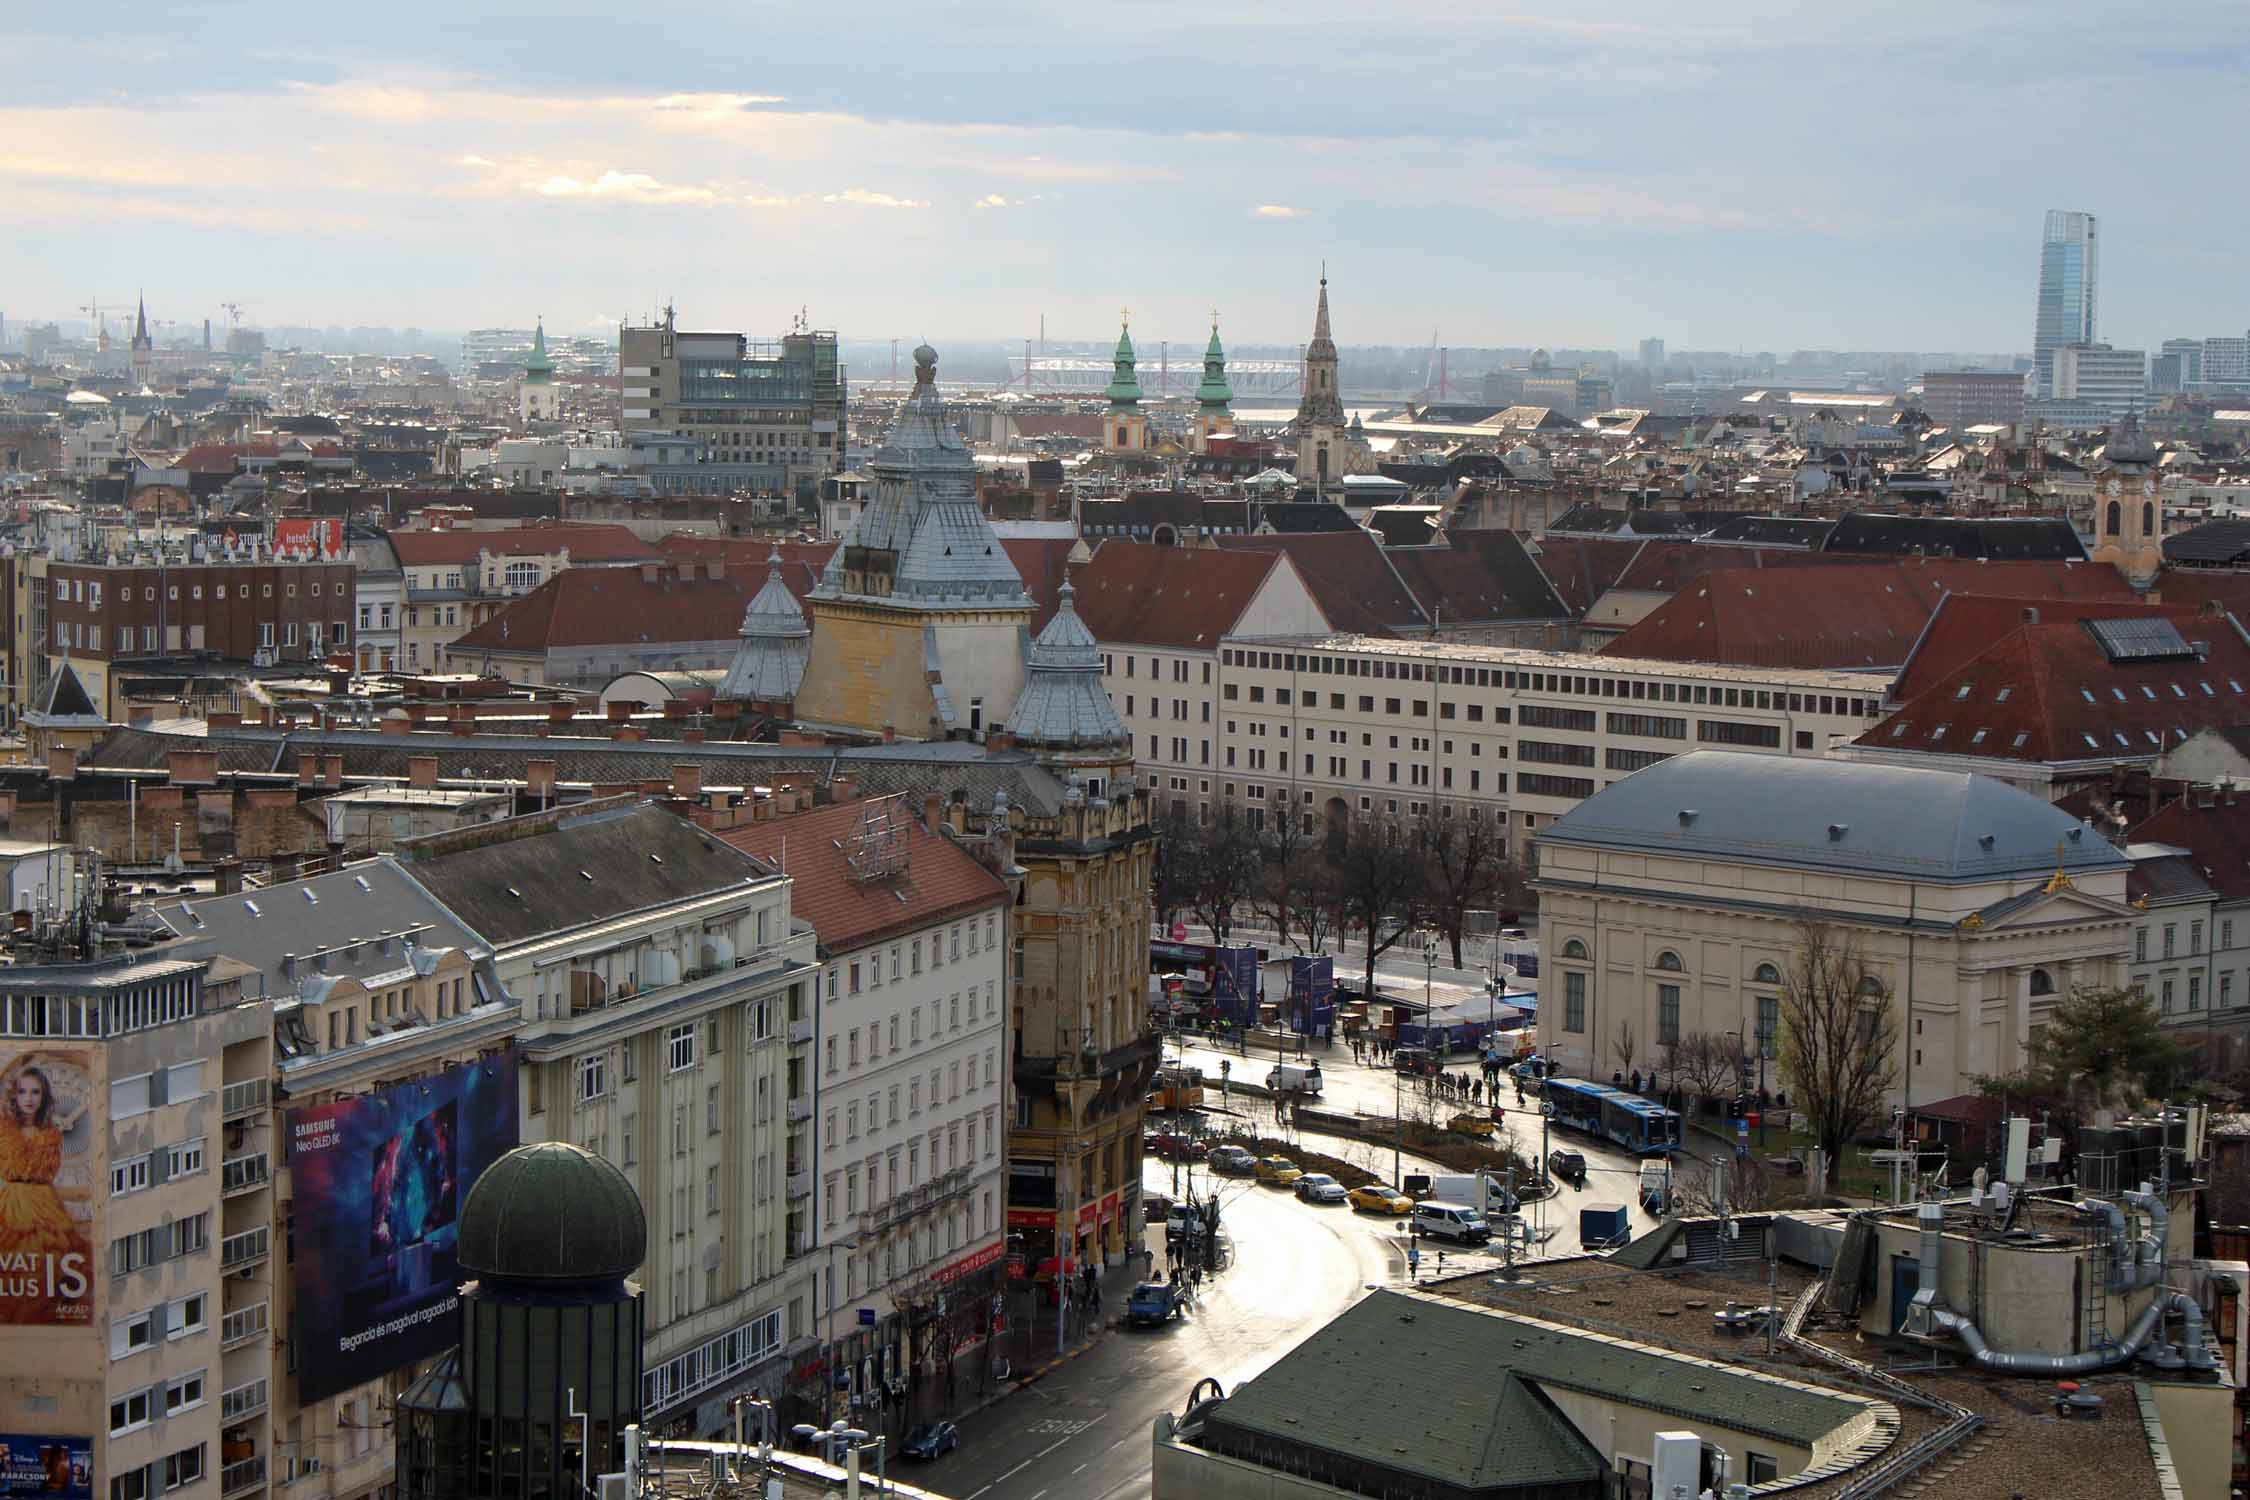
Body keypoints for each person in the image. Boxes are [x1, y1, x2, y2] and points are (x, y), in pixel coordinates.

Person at [0, 1058, 88, 1325]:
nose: (28, 1098)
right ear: (14, 1095)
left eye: (35, 1091)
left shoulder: (51, 1134)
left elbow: (48, 1173)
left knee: (47, 1266)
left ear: (44, 1096)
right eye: (22, 1091)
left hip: (43, 1202)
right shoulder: (4, 1129)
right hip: (11, 1202)